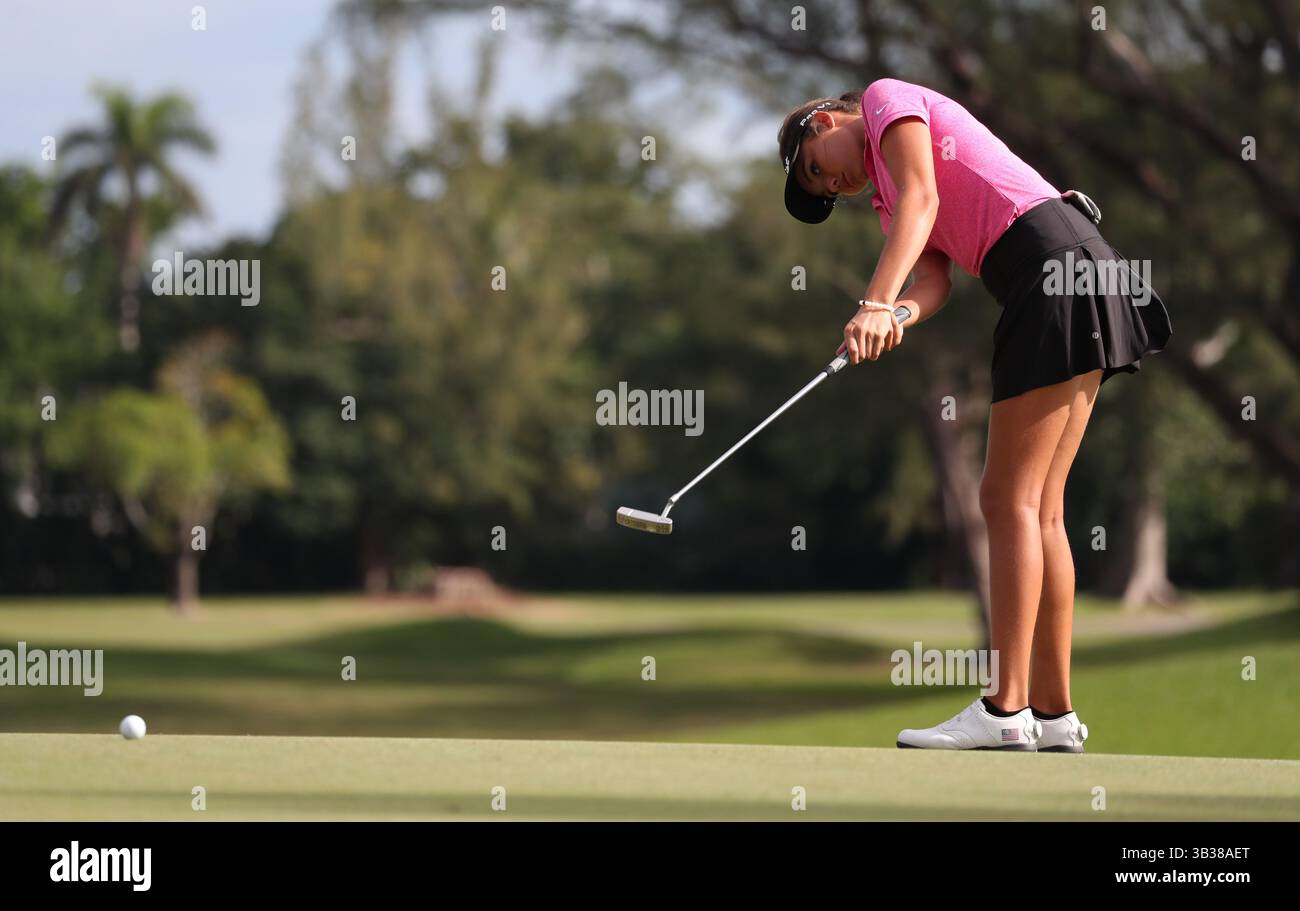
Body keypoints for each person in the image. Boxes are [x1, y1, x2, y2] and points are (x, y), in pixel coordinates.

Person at [778, 77, 1171, 752]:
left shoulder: (881, 100)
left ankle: (1003, 707)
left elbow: (925, 201)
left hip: (1049, 262)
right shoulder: (884, 195)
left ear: (824, 118)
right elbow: (933, 279)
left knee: (1006, 499)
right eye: (822, 191)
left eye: (817, 166)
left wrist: (873, 302)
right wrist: (897, 313)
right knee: (1041, 507)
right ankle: (1052, 714)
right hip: (1076, 264)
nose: (832, 183)